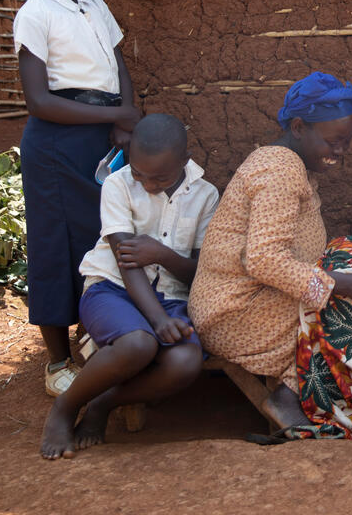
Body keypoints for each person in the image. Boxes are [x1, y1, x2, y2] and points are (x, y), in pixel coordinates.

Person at [188, 72, 352, 440]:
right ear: (298, 127)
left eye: (347, 141)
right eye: (333, 141)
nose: (340, 151)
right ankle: (294, 396)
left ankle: (297, 393)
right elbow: (263, 260)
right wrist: (344, 284)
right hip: (237, 314)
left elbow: (291, 250)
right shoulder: (280, 170)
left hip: (251, 300)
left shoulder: (291, 165)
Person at [13, 0, 141, 397]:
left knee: (98, 238)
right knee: (55, 245)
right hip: (55, 143)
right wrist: (115, 118)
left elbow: (118, 66)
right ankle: (56, 362)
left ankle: (101, 339)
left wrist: (124, 117)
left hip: (103, 135)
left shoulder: (93, 3)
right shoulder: (35, 14)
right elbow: (40, 101)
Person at [40, 114, 218, 459]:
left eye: (160, 177)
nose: (147, 184)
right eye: (140, 173)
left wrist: (163, 255)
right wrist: (157, 321)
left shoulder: (205, 195)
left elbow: (199, 272)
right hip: (112, 288)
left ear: (184, 160)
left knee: (185, 361)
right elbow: (126, 261)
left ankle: (103, 404)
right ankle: (66, 406)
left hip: (170, 296)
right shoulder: (118, 184)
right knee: (138, 343)